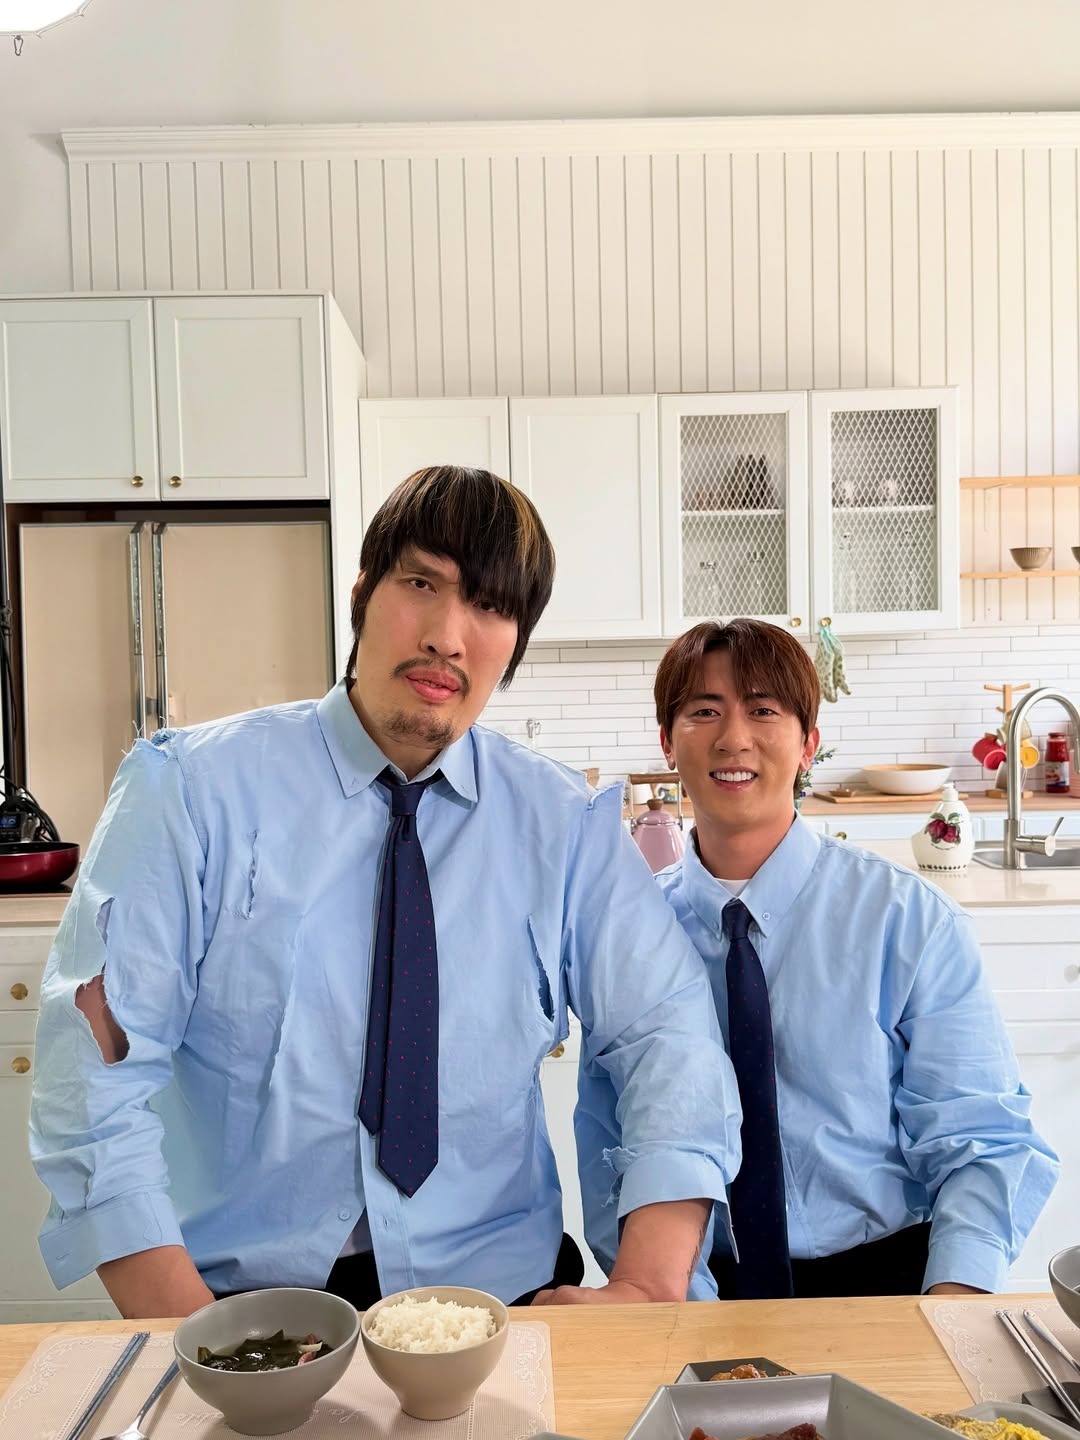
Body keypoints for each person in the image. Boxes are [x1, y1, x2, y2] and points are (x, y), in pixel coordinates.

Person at [29, 466, 742, 1319]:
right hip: (237, 1297)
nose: (448, 637)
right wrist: (195, 1333)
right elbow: (90, 1076)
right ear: (363, 592)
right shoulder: (190, 792)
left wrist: (649, 1285)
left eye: (490, 606)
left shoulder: (565, 824)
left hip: (498, 1296)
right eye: (421, 584)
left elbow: (667, 1037)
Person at [579, 617, 1057, 1299]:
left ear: (808, 744)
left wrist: (953, 1303)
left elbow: (982, 1139)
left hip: (887, 1280)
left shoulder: (907, 920)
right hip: (691, 1286)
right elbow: (606, 1143)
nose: (733, 737)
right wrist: (673, 1302)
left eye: (763, 710)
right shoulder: (627, 934)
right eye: (704, 711)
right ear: (667, 742)